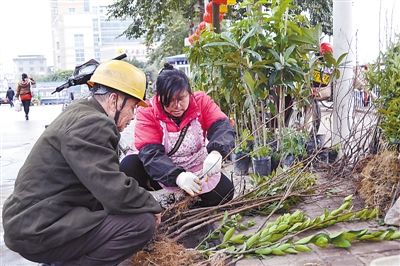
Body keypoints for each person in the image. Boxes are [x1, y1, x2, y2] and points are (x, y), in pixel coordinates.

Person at [2, 60, 163, 265]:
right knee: (141, 223)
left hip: (34, 221)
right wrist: (153, 205)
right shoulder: (94, 123)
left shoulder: (80, 112)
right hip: (39, 229)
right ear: (114, 100)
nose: (132, 116)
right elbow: (113, 189)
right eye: (132, 107)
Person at [120, 63, 235, 208]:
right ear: (158, 98)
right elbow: (151, 154)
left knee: (225, 193)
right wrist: (178, 177)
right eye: (168, 101)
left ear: (189, 92)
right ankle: (147, 203)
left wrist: (217, 152)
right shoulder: (148, 111)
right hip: (161, 170)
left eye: (181, 98)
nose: (177, 106)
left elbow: (222, 126)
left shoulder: (201, 101)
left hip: (195, 166)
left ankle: (188, 202)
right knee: (129, 167)